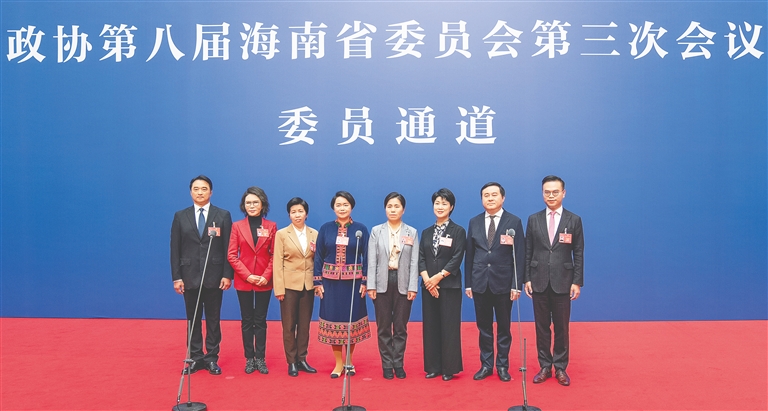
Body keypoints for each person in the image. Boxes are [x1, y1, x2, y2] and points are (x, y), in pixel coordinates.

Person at [524, 175, 584, 386]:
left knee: (561, 327)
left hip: (563, 281)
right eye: (547, 192)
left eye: (555, 192)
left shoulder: (573, 220)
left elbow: (578, 252)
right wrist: (526, 278)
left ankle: (560, 367)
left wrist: (577, 281)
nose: (551, 195)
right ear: (542, 194)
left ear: (563, 193)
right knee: (541, 327)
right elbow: (528, 250)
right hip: (538, 279)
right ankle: (544, 366)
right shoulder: (533, 219)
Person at [170, 175, 233, 375]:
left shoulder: (222, 215)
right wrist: (177, 277)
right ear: (191, 192)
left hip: (215, 276)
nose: (200, 192)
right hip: (189, 277)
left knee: (213, 320)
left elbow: (229, 248)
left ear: (211, 192)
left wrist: (227, 275)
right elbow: (175, 249)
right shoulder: (181, 216)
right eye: (196, 189)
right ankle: (196, 358)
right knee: (193, 319)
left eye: (204, 189)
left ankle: (212, 358)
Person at [465, 182, 525, 382]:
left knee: (504, 328)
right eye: (486, 195)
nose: (490, 198)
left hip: (504, 284)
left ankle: (502, 366)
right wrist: (468, 283)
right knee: (483, 327)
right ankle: (486, 365)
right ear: (482, 198)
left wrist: (516, 284)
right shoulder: (474, 222)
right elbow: (470, 254)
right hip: (480, 282)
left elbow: (519, 255)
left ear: (503, 198)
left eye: (494, 195)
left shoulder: (514, 221)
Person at [313, 191, 371, 378]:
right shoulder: (326, 229)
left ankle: (349, 361)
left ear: (351, 206)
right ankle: (338, 364)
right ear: (333, 208)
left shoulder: (360, 230)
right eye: (338, 205)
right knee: (334, 323)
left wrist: (365, 281)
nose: (342, 208)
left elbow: (367, 256)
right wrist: (317, 281)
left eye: (345, 204)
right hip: (330, 285)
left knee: (351, 323)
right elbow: (318, 256)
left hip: (353, 284)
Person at [367, 192, 419, 380]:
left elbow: (414, 262)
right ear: (385, 209)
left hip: (403, 282)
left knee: (400, 327)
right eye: (389, 206)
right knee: (383, 327)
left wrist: (413, 287)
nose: (393, 210)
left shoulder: (411, 232)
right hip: (381, 282)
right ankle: (387, 364)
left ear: (403, 210)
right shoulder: (376, 231)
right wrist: (371, 285)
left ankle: (398, 363)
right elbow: (372, 260)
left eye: (397, 206)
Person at [227, 186, 276, 375]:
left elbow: (274, 254)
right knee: (247, 320)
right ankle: (249, 358)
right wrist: (247, 275)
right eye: (248, 203)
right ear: (243, 205)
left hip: (264, 280)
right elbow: (232, 255)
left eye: (255, 202)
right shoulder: (237, 226)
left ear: (262, 204)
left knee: (261, 320)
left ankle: (261, 358)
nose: (252, 206)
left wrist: (266, 276)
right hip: (244, 280)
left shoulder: (271, 226)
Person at [418, 188, 466, 382]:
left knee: (449, 327)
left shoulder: (458, 231)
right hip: (428, 286)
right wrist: (427, 280)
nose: (440, 207)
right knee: (430, 326)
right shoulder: (426, 232)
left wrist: (437, 278)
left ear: (451, 207)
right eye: (437, 203)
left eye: (444, 203)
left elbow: (457, 258)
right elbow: (421, 258)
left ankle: (449, 368)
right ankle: (433, 367)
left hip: (449, 286)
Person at [273, 197, 318, 377]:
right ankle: (291, 361)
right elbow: (277, 263)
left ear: (306, 214)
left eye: (300, 211)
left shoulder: (314, 234)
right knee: (289, 325)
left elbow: (318, 260)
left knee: (305, 325)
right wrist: (279, 289)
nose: (297, 215)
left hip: (308, 285)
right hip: (289, 286)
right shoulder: (282, 234)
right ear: (289, 215)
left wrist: (318, 283)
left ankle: (302, 359)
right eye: (293, 212)